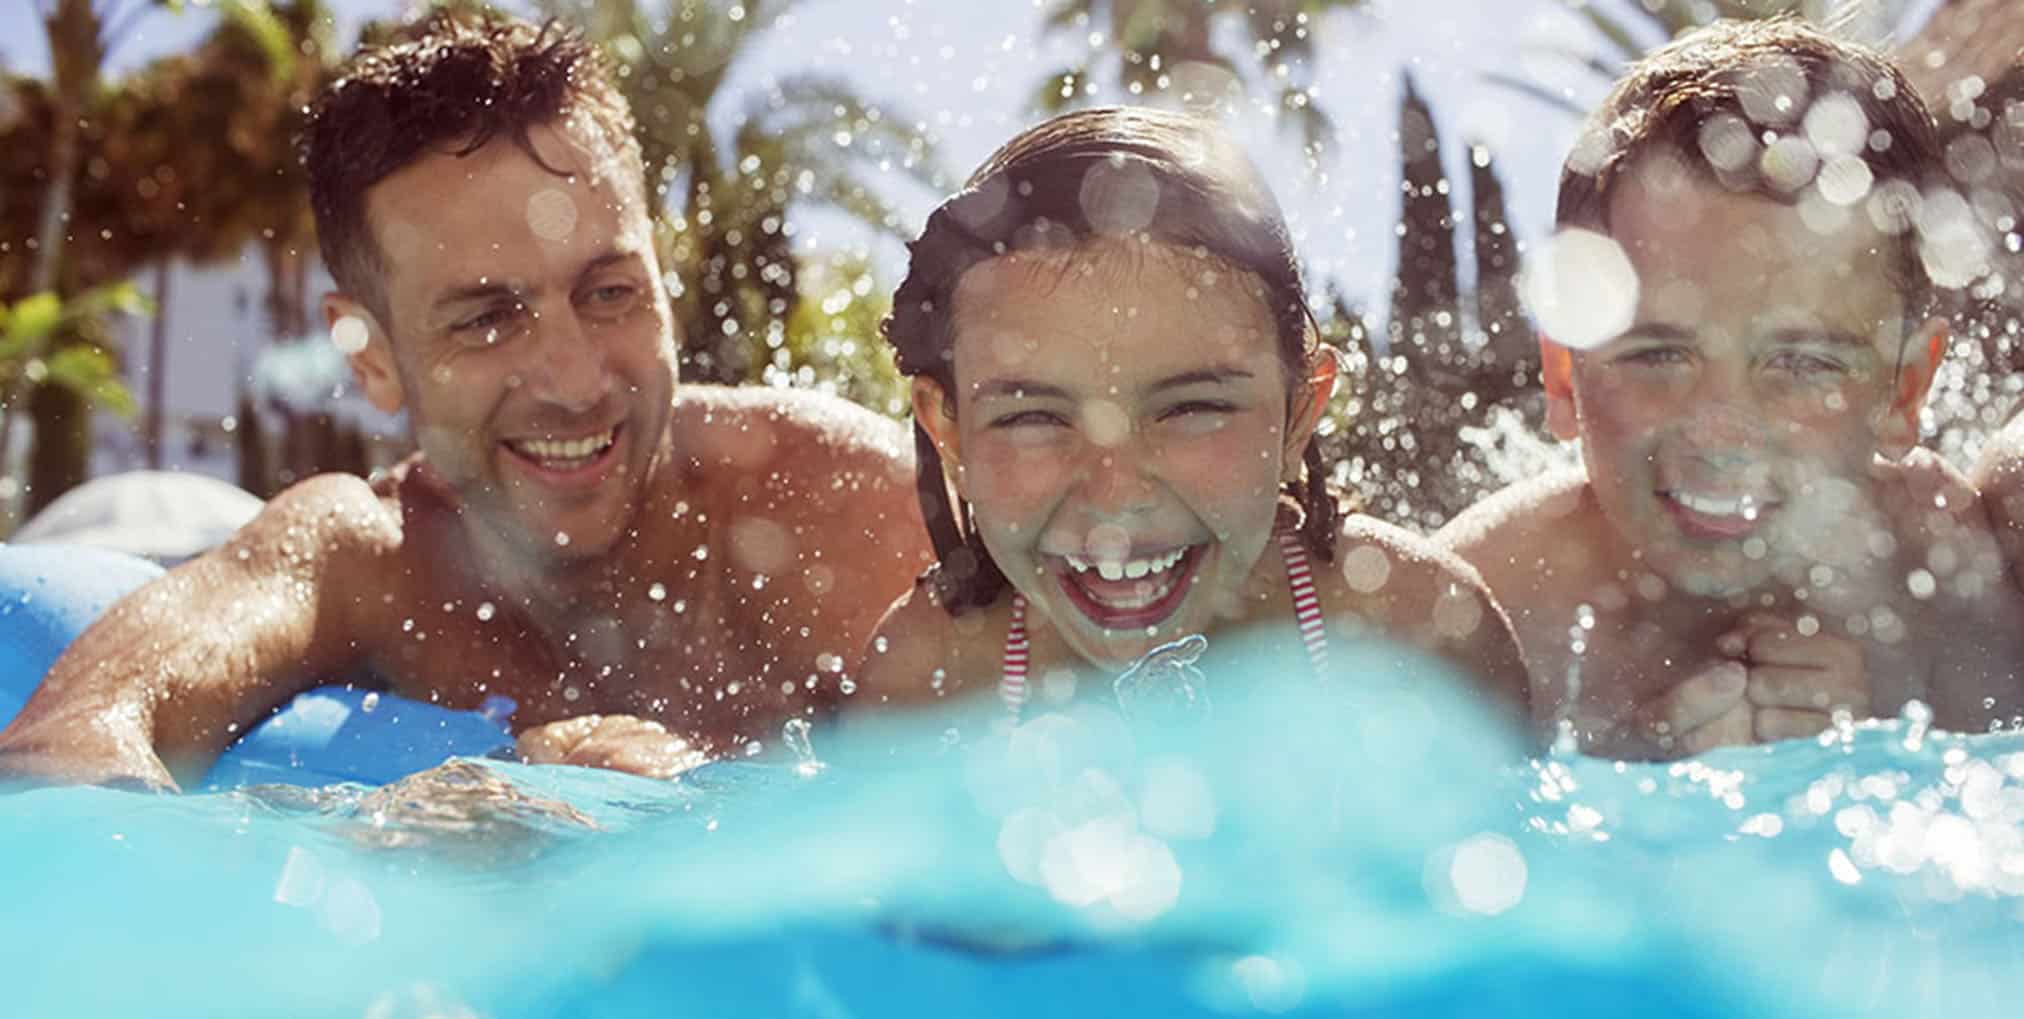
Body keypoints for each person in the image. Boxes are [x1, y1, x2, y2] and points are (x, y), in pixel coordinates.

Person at [0, 12, 930, 791]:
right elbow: (71, 740)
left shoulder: (832, 508)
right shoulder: (364, 560)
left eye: (610, 292)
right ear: (370, 357)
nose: (575, 382)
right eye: (488, 319)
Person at [1437, 19, 2024, 760]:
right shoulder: (1485, 619)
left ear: (1904, 394)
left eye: (1804, 364)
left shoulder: (1957, 582)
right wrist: (1628, 763)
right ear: (1564, 376)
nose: (1718, 429)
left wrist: (1885, 735)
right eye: (1657, 355)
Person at [847, 106, 1531, 730]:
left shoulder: (1414, 634)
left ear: (1299, 415)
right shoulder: (931, 681)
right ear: (952, 434)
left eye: (1190, 408)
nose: (1113, 490)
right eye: (1034, 417)